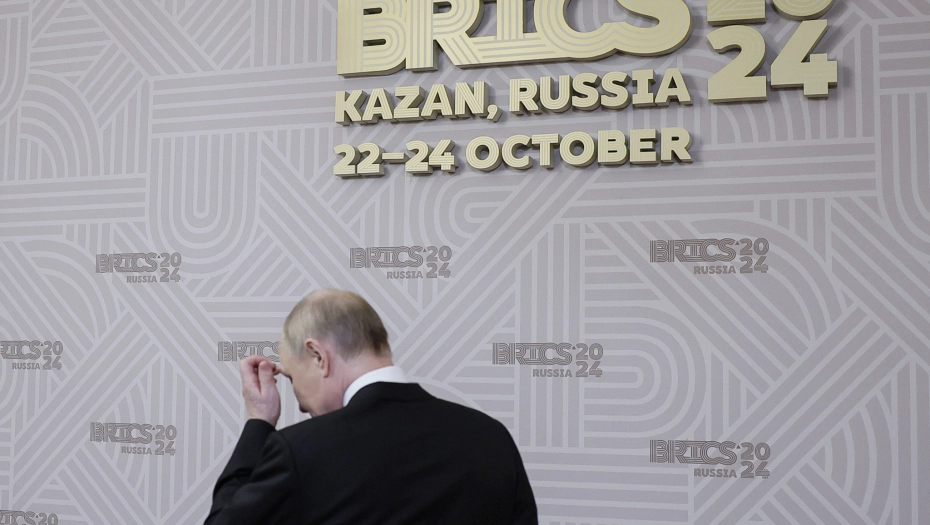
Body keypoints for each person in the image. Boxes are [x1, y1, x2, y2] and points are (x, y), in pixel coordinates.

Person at [205, 289, 538, 524]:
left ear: (318, 356)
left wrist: (259, 423)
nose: (301, 405)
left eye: (291, 377)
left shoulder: (300, 451)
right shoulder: (491, 437)